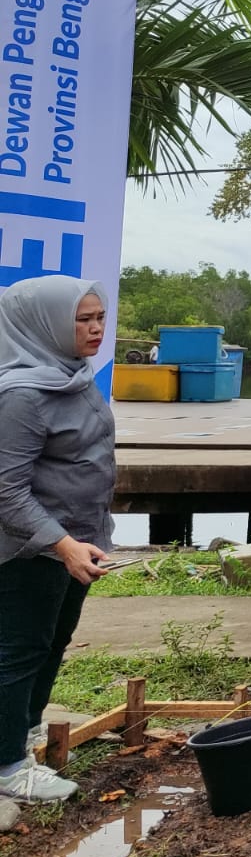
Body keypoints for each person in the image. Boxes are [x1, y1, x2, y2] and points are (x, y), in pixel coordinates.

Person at [0, 277, 112, 802]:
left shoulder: (73, 376)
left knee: (52, 643)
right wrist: (61, 544)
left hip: (79, 543)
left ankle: (24, 731)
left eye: (98, 316)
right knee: (19, 649)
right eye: (81, 319)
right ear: (42, 324)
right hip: (31, 550)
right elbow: (7, 490)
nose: (95, 329)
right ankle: (6, 768)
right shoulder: (23, 395)